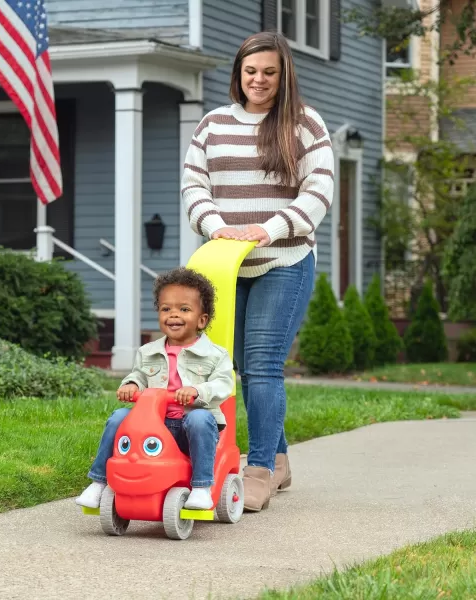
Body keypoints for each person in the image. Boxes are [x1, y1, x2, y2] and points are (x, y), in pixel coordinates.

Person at [181, 32, 334, 511]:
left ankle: (261, 468)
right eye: (251, 71)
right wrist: (217, 227)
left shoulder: (305, 124)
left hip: (283, 261)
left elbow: (318, 192)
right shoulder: (212, 124)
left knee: (264, 366)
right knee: (241, 367)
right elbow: (194, 184)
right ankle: (281, 459)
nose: (259, 80)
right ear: (238, 73)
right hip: (226, 265)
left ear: (283, 73)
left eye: (269, 71)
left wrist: (266, 230)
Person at [75, 267, 235, 511]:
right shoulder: (147, 351)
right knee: (119, 417)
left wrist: (196, 391)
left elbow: (224, 383)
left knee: (200, 419)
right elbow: (138, 375)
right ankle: (98, 481)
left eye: (184, 309)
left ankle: (202, 487)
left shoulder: (215, 355)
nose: (173, 315)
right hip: (153, 424)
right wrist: (131, 385)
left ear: (202, 320)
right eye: (166, 309)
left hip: (188, 427)